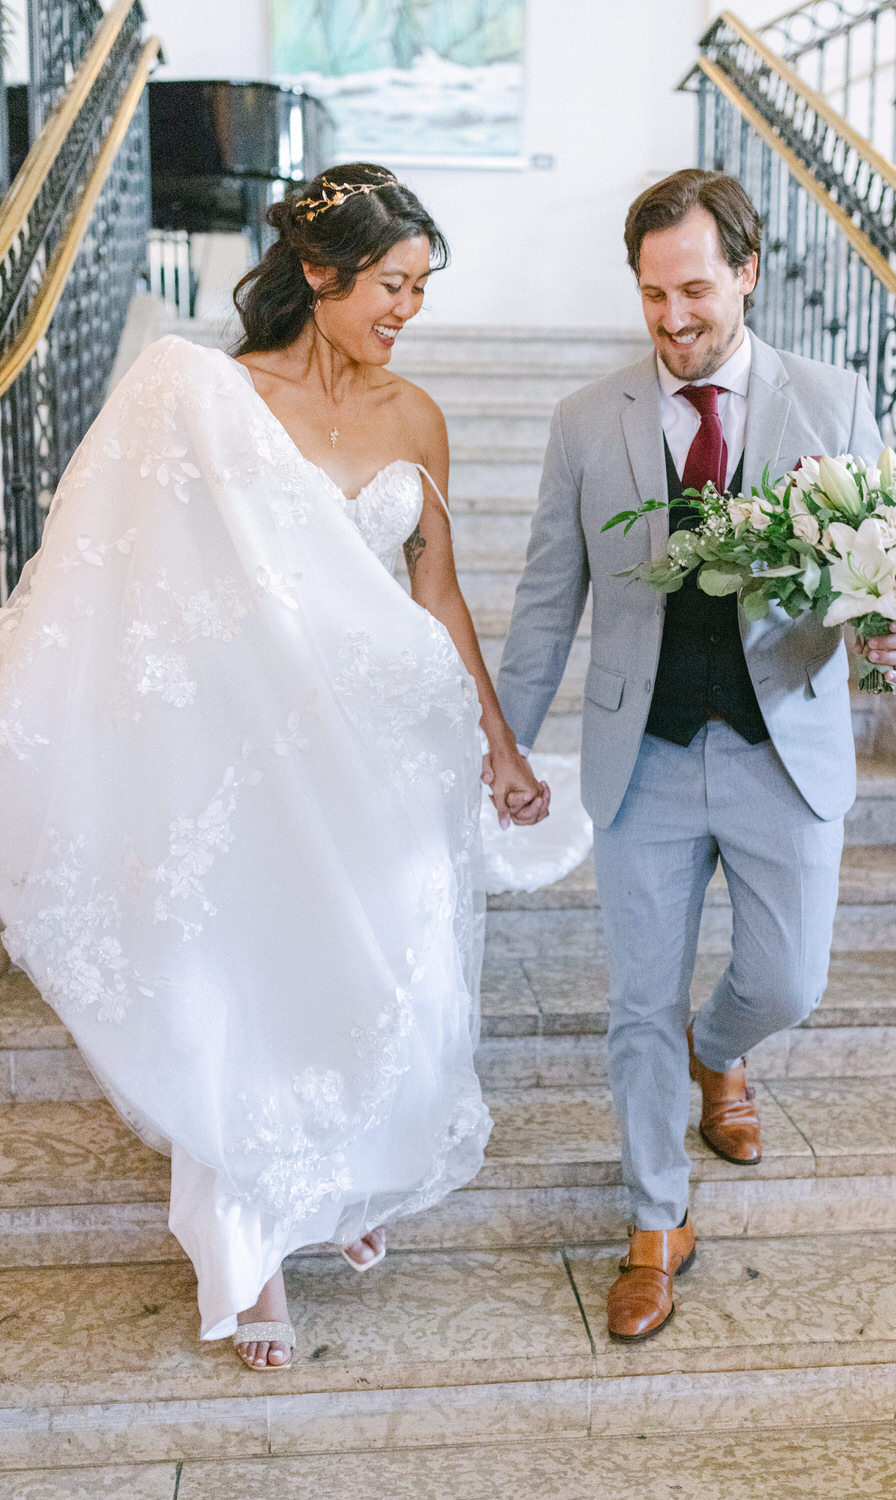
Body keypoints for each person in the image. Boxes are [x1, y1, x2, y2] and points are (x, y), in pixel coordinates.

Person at [0, 162, 560, 1371]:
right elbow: (150, 597)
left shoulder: (417, 418)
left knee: (383, 979)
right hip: (264, 762)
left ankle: (344, 1187)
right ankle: (246, 1255)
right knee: (252, 986)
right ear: (318, 274)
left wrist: (495, 745)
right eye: (390, 286)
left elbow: (438, 593)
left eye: (420, 288)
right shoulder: (207, 402)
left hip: (394, 761)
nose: (406, 311)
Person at [496, 169, 896, 1343]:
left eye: (693, 292)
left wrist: (892, 621)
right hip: (641, 760)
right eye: (649, 298)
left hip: (782, 746)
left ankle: (719, 1051)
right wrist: (507, 744)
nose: (673, 321)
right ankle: (652, 1220)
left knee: (788, 981)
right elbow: (544, 604)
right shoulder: (588, 421)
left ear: (743, 270)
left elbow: (874, 572)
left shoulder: (829, 401)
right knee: (634, 1003)